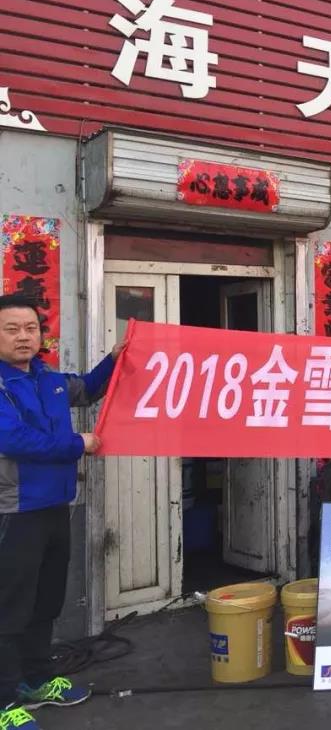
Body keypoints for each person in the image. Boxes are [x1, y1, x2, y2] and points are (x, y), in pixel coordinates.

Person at [0, 295, 122, 730]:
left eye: (30, 328)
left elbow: (87, 389)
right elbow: (14, 440)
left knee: (45, 601)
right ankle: (4, 702)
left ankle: (36, 680)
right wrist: (78, 444)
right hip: (14, 512)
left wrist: (115, 358)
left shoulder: (49, 379)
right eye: (12, 329)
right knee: (9, 608)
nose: (23, 336)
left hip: (55, 507)